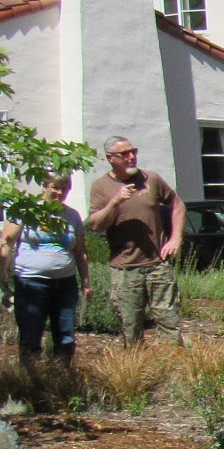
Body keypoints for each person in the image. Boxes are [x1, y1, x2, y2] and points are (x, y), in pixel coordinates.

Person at [87, 136, 186, 345]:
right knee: (130, 326)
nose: (131, 157)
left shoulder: (151, 179)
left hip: (158, 265)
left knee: (169, 322)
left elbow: (177, 205)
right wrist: (115, 202)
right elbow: (96, 224)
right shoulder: (101, 187)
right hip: (125, 269)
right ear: (111, 158)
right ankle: (137, 370)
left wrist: (175, 238)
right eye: (125, 154)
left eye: (133, 152)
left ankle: (173, 369)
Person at [0, 172, 90, 364]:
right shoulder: (25, 210)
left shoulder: (72, 215)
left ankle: (62, 375)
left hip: (65, 282)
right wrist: (3, 273)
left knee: (66, 333)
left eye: (64, 188)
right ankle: (31, 378)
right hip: (31, 281)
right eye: (55, 187)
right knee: (31, 332)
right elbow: (7, 241)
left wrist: (86, 282)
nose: (59, 192)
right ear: (44, 186)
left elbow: (80, 250)